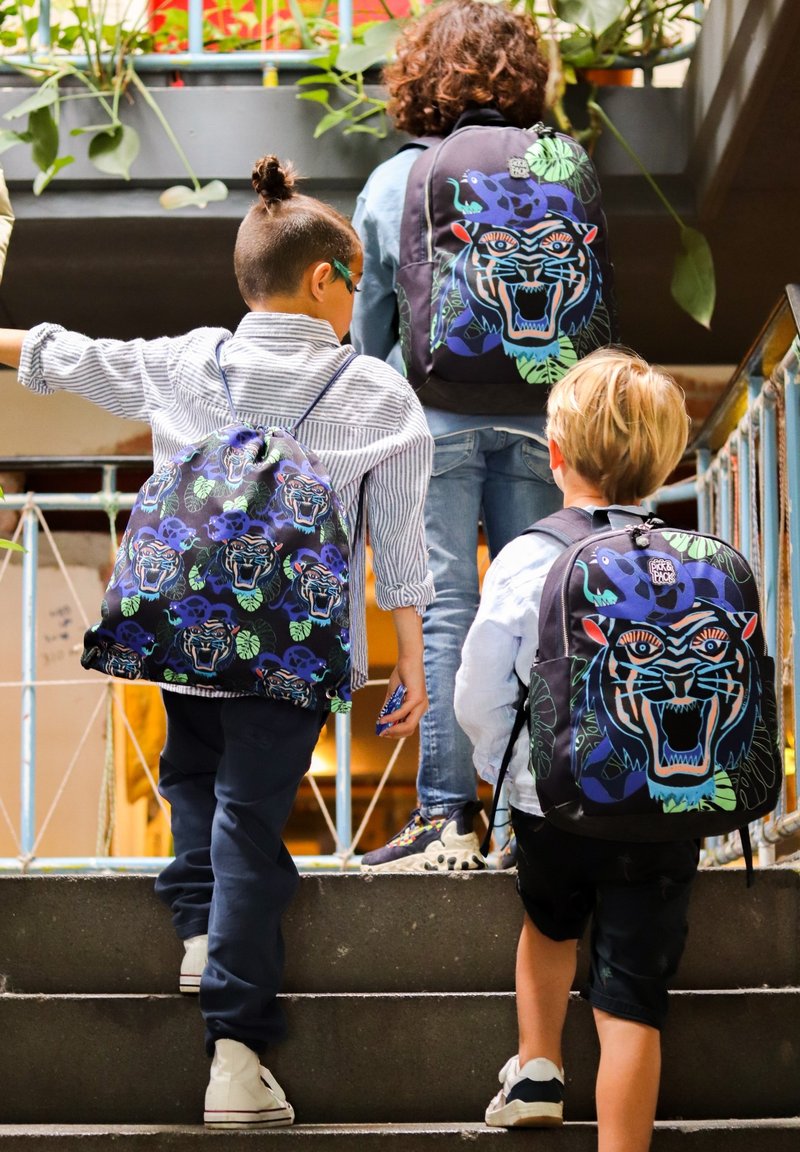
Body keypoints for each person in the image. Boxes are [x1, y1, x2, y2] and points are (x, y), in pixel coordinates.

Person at [0, 155, 434, 1129]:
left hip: (182, 631)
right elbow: (402, 553)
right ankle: (235, 1054)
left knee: (190, 772)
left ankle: (200, 930)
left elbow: (68, 356)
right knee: (249, 817)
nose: (356, 300)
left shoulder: (188, 361)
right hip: (292, 650)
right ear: (321, 279)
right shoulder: (379, 396)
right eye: (354, 281)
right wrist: (409, 657)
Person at [454, 348, 696, 1151]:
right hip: (665, 804)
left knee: (548, 926)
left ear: (553, 455)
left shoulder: (528, 556)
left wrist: (503, 768)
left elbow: (480, 685)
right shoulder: (691, 561)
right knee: (630, 1002)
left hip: (552, 803)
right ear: (664, 465)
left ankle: (537, 1069)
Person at [351, 0, 568, 872]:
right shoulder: (559, 170)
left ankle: (448, 818)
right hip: (542, 425)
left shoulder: (397, 179)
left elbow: (368, 329)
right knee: (537, 618)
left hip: (430, 425)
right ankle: (526, 822)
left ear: (419, 80)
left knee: (446, 608)